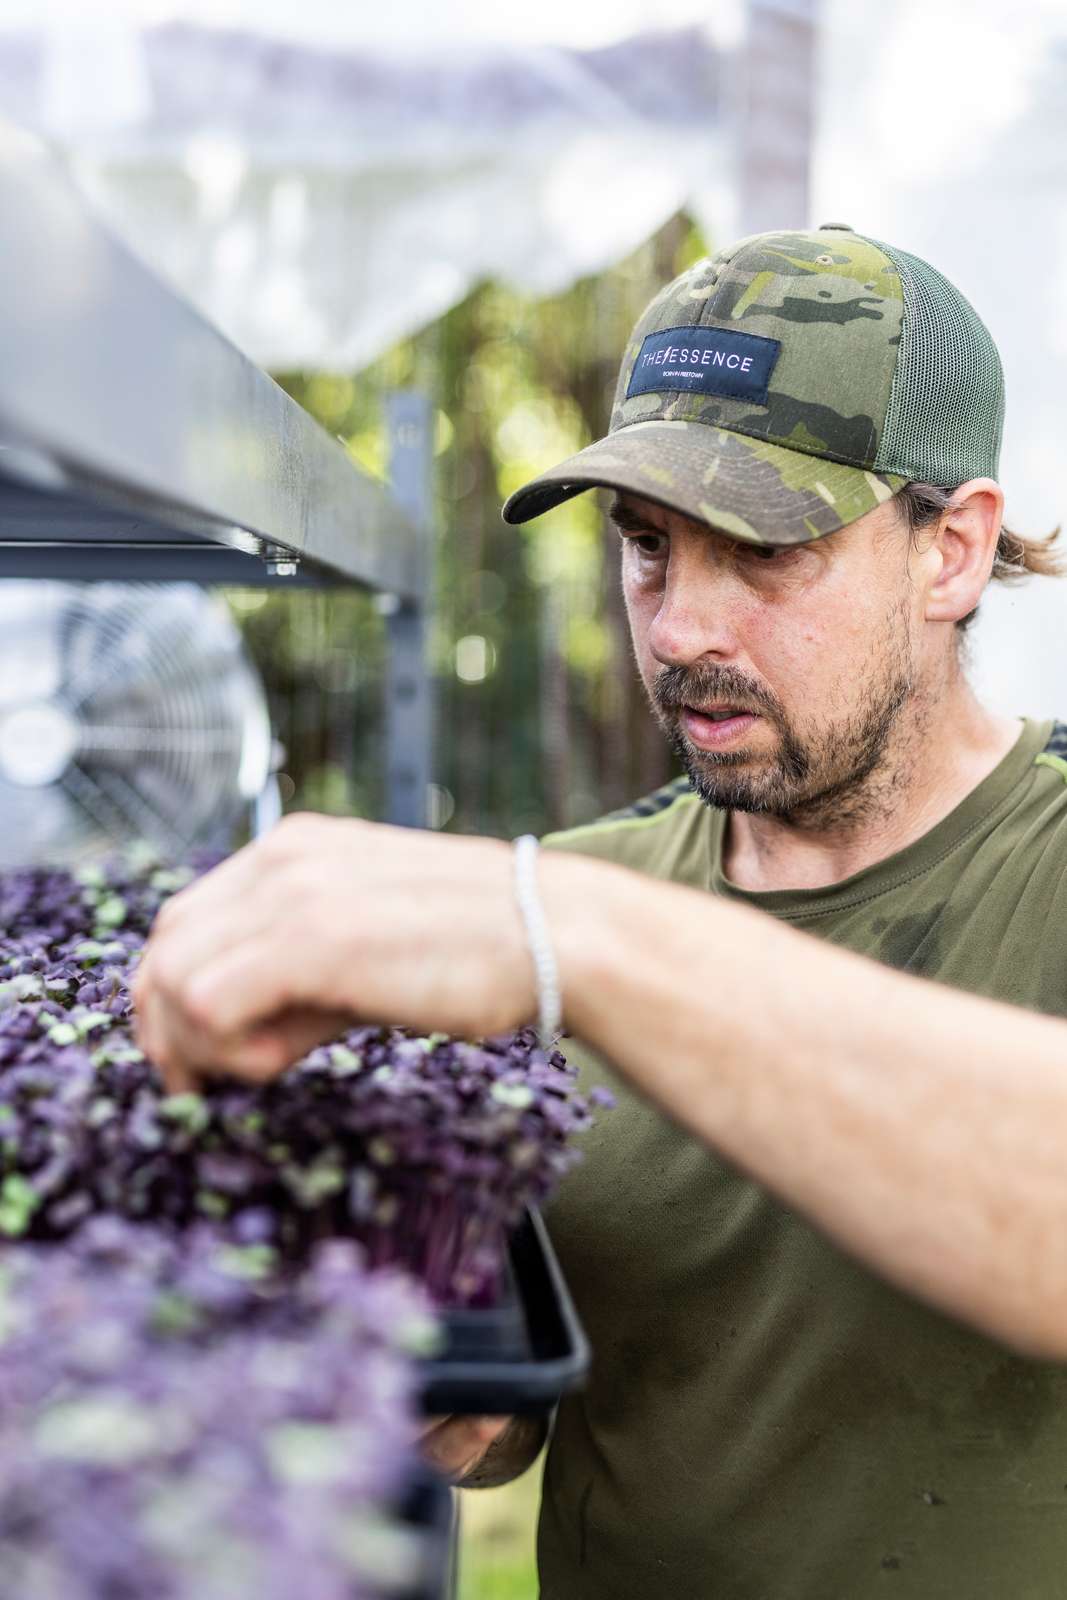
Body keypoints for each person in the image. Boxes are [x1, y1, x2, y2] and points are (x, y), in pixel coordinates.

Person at [134, 225, 1067, 1599]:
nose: (680, 628)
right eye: (645, 548)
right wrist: (455, 1387)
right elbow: (516, 1411)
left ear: (952, 553)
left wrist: (569, 935)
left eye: (760, 552)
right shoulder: (579, 899)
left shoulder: (568, 929)